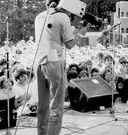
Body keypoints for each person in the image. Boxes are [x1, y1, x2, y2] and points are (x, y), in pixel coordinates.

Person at [34, 0, 86, 134]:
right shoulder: (63, 17)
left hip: (39, 63)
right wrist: (80, 33)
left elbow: (51, 34)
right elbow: (69, 44)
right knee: (56, 106)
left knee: (43, 105)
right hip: (54, 63)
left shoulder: (39, 17)